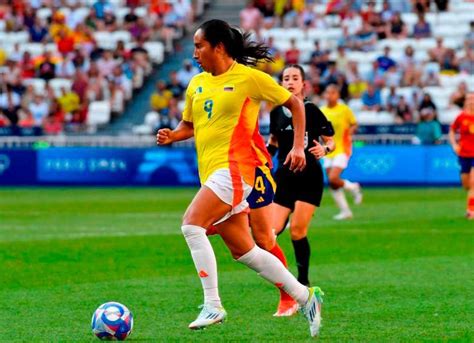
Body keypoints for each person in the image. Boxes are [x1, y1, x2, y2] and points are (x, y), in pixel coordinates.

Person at [156, 19, 323, 336]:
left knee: (191, 225)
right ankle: (306, 296)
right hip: (211, 172)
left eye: (199, 46)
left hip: (236, 169)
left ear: (218, 47)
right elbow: (189, 126)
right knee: (246, 252)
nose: (194, 53)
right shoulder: (196, 84)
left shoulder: (249, 79)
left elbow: (295, 104)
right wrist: (171, 136)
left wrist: (299, 146)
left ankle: (213, 304)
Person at [268, 65, 335, 298]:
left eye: (295, 78)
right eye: (286, 78)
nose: (290, 81)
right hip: (285, 176)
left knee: (297, 231)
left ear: (303, 84)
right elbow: (274, 141)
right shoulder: (276, 112)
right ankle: (281, 280)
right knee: (270, 233)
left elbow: (331, 140)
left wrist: (325, 149)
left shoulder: (312, 110)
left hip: (309, 177)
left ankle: (303, 281)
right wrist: (264, 156)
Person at [321, 84, 362, 220]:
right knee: (332, 183)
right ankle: (345, 211)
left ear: (338, 95)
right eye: (327, 93)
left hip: (341, 148)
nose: (330, 96)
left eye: (333, 93)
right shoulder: (322, 110)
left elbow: (354, 123)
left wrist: (349, 133)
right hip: (327, 149)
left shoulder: (344, 109)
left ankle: (353, 187)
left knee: (333, 177)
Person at [449, 93, 474, 220]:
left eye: (473, 99)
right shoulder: (461, 117)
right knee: (466, 185)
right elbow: (452, 130)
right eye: (469, 99)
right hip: (464, 154)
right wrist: (454, 144)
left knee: (473, 182)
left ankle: (470, 211)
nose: (471, 101)